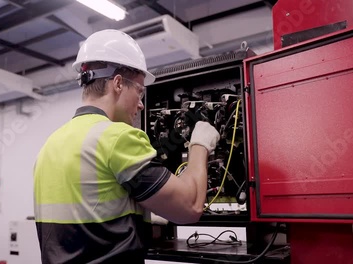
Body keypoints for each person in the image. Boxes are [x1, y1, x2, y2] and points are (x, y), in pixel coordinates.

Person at [33, 29, 220, 264]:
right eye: (140, 92)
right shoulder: (117, 138)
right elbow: (190, 207)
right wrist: (199, 147)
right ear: (118, 83)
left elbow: (92, 213)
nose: (141, 105)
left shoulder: (50, 145)